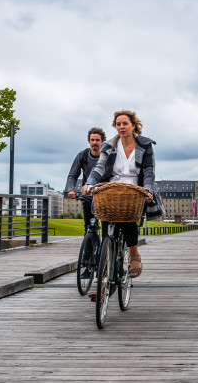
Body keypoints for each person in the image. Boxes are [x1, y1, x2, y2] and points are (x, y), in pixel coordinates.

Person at [83, 110, 159, 282]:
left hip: (135, 187)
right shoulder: (109, 146)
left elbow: (148, 171)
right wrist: (89, 183)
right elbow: (99, 168)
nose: (121, 127)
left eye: (125, 123)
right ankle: (104, 283)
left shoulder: (145, 146)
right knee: (107, 228)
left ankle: (134, 254)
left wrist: (148, 189)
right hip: (113, 186)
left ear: (133, 125)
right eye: (118, 124)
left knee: (127, 218)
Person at [65, 127, 106, 226]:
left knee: (107, 227)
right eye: (92, 140)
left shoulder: (107, 155)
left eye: (97, 140)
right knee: (88, 226)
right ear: (89, 141)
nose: (94, 142)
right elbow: (72, 175)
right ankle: (89, 239)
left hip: (105, 195)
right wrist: (71, 189)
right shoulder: (83, 155)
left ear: (103, 141)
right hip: (88, 195)